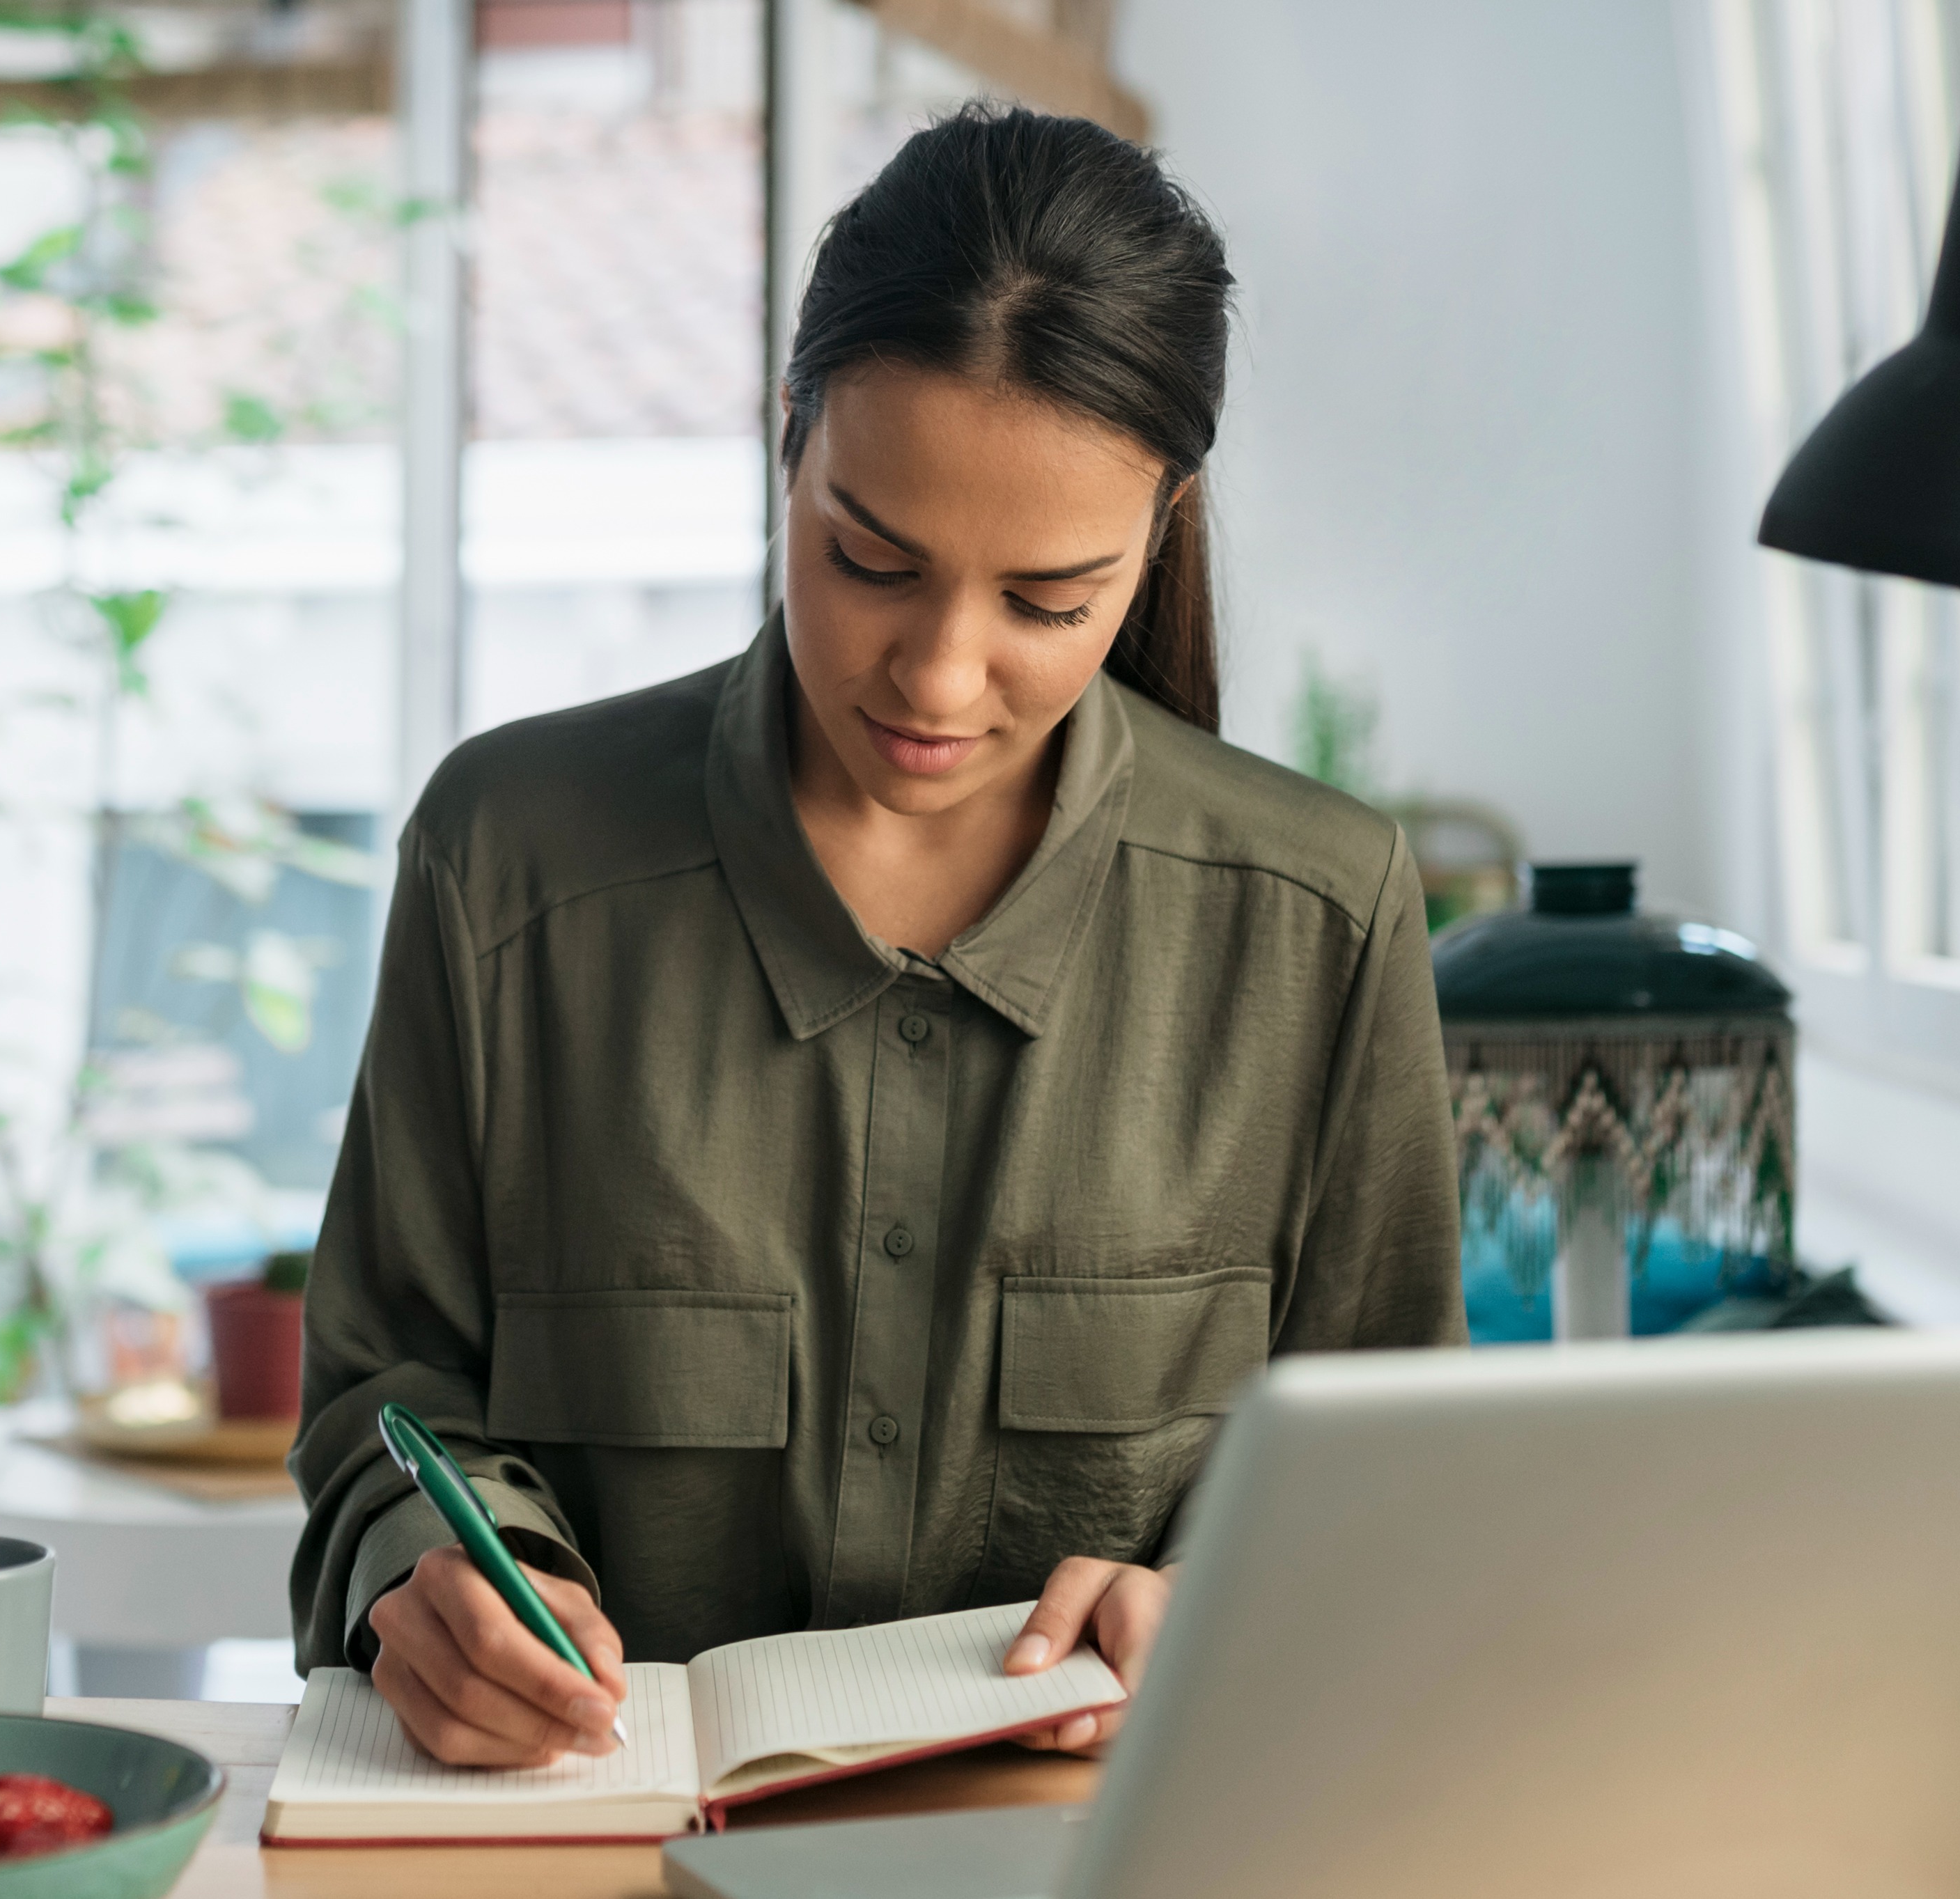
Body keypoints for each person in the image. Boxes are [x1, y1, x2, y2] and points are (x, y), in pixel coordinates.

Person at [286, 104, 1463, 1771]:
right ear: (788, 437)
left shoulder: (1316, 918)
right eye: (868, 558)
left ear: (1161, 526)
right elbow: (382, 1396)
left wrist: (1226, 1599)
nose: (934, 676)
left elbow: (1394, 1486)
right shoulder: (509, 859)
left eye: (1046, 602)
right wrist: (441, 1576)